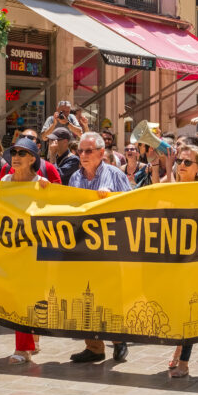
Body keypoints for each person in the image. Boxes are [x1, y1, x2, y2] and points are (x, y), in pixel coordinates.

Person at [68, 132, 131, 364]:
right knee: (86, 296)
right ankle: (94, 347)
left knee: (110, 296)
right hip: (83, 247)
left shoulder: (115, 175)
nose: (82, 155)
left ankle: (118, 340)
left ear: (101, 153)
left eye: (88, 151)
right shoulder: (75, 178)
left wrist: (111, 198)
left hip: (111, 247)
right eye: (80, 151)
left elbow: (132, 206)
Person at [164, 144, 198, 377]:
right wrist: (166, 169)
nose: (181, 165)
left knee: (189, 309)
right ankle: (178, 347)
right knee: (175, 307)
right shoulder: (169, 185)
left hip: (196, 259)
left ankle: (184, 360)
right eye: (179, 162)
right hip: (172, 257)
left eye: (187, 162)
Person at [0, 138, 50, 364]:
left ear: (32, 159)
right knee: (20, 297)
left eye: (22, 153)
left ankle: (27, 345)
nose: (16, 156)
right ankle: (27, 345)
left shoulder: (42, 183)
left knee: (31, 297)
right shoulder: (5, 181)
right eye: (14, 152)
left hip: (36, 249)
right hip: (12, 248)